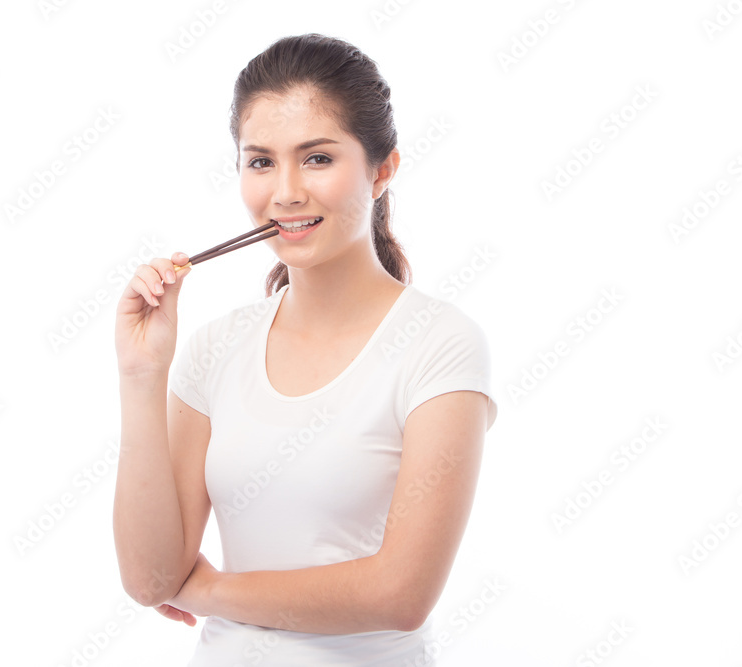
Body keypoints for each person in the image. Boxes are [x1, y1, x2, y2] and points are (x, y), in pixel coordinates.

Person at [113, 33, 497, 666]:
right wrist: (140, 374)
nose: (285, 191)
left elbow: (400, 594)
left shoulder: (440, 345)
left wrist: (208, 590)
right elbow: (151, 579)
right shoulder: (216, 347)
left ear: (383, 170)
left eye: (317, 159)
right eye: (260, 161)